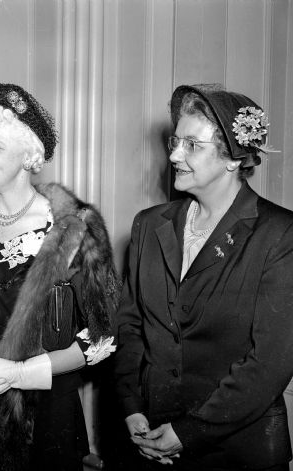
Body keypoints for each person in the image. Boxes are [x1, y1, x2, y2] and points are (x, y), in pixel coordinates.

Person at [0, 83, 120, 471]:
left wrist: (19, 374)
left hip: (44, 416)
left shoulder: (74, 228)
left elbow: (103, 338)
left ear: (30, 155)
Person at [114, 83, 293, 470]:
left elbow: (270, 362)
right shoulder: (149, 225)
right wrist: (131, 407)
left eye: (192, 145)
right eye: (175, 142)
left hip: (238, 450)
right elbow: (129, 326)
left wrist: (188, 432)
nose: (175, 155)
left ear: (233, 159)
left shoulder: (279, 234)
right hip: (150, 436)